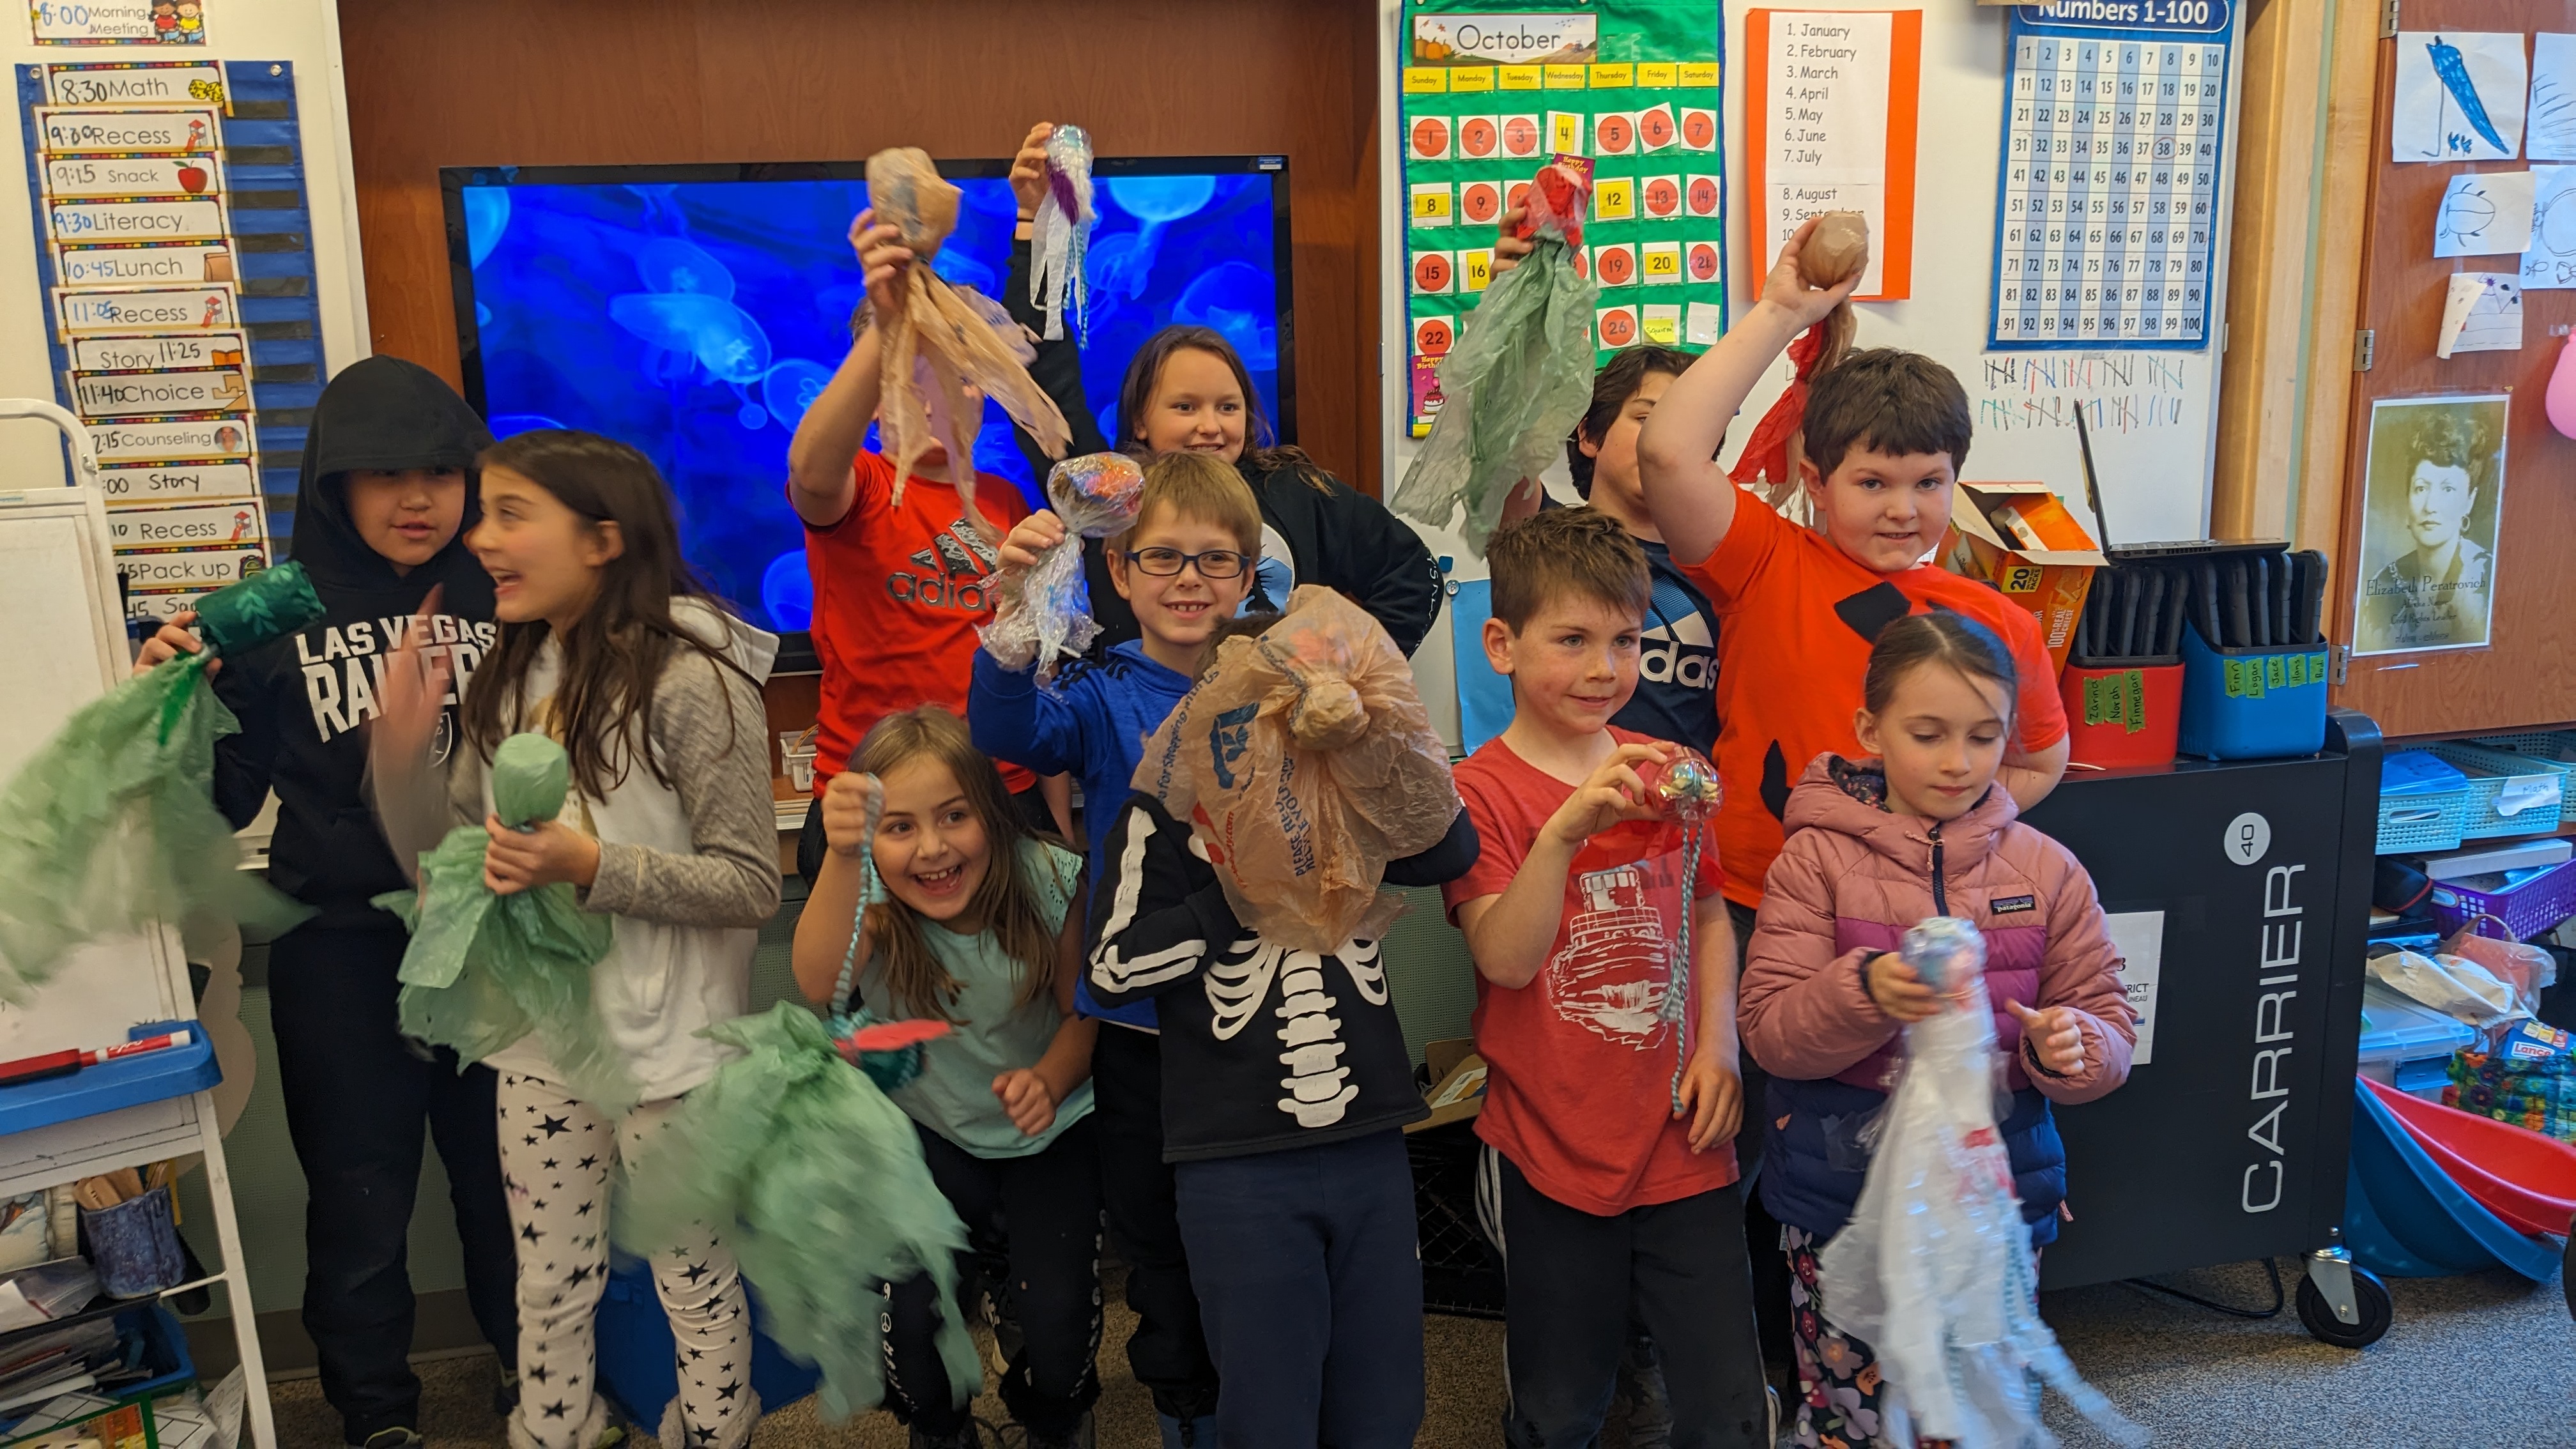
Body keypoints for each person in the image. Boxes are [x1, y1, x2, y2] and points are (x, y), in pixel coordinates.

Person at [134, 356, 518, 1449]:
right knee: (359, 1203)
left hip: (499, 940)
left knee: (515, 1186)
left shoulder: (504, 582)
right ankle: (374, 1414)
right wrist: (170, 708)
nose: (418, 499)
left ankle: (535, 1374)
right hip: (344, 952)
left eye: (442, 472)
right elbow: (216, 801)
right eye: (383, 473)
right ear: (331, 484)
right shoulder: (269, 607)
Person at [372, 429, 781, 1449]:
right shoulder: (514, 670)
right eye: (485, 515)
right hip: (545, 1043)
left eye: (511, 515)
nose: (479, 538)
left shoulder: (695, 677)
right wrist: (396, 761)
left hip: (670, 1053)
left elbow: (749, 884)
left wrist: (588, 867)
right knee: (549, 1282)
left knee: (695, 1280)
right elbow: (458, 860)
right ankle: (552, 1431)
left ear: (603, 540)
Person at [1738, 612, 2135, 1449]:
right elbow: (1771, 1032)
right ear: (1869, 730)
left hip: (1993, 1203)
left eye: (1985, 737)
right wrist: (1865, 992)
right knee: (1851, 1410)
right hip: (1842, 1198)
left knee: (1976, 1406)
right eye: (1928, 735)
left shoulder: (2046, 868)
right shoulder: (1816, 861)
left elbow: (2105, 1019)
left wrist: (2072, 1046)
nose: (1958, 762)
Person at [1086, 612, 1480, 1449]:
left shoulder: (1350, 802)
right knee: (1268, 1407)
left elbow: (1451, 849)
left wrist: (1379, 738)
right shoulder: (1158, 821)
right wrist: (1233, 892)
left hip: (1369, 1141)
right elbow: (1110, 968)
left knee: (1385, 1404)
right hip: (1238, 1169)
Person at [1636, 218, 2072, 943]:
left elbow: (2041, 757)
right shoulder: (1766, 562)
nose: (1903, 510)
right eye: (1873, 482)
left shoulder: (2001, 624)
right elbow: (1670, 453)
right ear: (1817, 480)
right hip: (1753, 902)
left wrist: (1946, 825)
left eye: (1929, 482)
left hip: (1913, 916)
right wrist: (1781, 314)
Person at [1442, 509, 1767, 1448]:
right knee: (1558, 1407)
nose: (1603, 669)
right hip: (1550, 1145)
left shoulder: (1675, 772)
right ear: (1501, 645)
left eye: (1624, 642)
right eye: (1572, 640)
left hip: (1685, 1136)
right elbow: (1503, 957)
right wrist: (1564, 831)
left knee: (1727, 1409)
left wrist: (1721, 1047)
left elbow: (1709, 914)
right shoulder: (1478, 794)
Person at [967, 450, 1262, 1445]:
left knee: (1251, 1243)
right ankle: (1188, 1414)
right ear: (1122, 572)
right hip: (1139, 1029)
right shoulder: (1097, 694)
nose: (1188, 579)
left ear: (1251, 576)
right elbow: (1003, 723)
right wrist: (1015, 609)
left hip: (1257, 1016)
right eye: (1162, 558)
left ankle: (1253, 1398)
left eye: (1215, 561)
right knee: (1162, 1244)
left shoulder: (1274, 686)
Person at [988, 122, 1443, 662]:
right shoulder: (1104, 492)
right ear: (1139, 419)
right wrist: (1034, 226)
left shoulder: (1296, 492)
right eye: (1185, 407)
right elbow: (1046, 382)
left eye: (1229, 407)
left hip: (1276, 740)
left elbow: (1415, 578)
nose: (1211, 425)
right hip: (1137, 739)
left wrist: (1344, 677)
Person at [790, 707, 1101, 1449]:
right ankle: (940, 1428)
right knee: (905, 1318)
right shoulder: (871, 898)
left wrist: (1052, 1080)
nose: (932, 849)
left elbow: (1083, 1013)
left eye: (954, 817)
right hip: (930, 1133)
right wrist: (842, 855)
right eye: (899, 827)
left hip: (1050, 1135)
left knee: (1058, 1325)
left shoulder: (1050, 877)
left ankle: (1056, 1422)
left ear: (991, 814)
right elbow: (818, 983)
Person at [787, 184, 1067, 884]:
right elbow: (812, 475)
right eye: (907, 372)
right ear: (872, 402)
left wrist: (1060, 822)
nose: (935, 387)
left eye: (957, 371)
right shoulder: (864, 487)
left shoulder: (1005, 502)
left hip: (1000, 792)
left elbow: (1033, 668)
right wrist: (890, 321)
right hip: (878, 800)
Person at [2359, 407, 2495, 651]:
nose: (2430, 506)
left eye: (2448, 490)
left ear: (2469, 500)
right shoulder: (2384, 581)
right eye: (2421, 488)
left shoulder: (2487, 575)